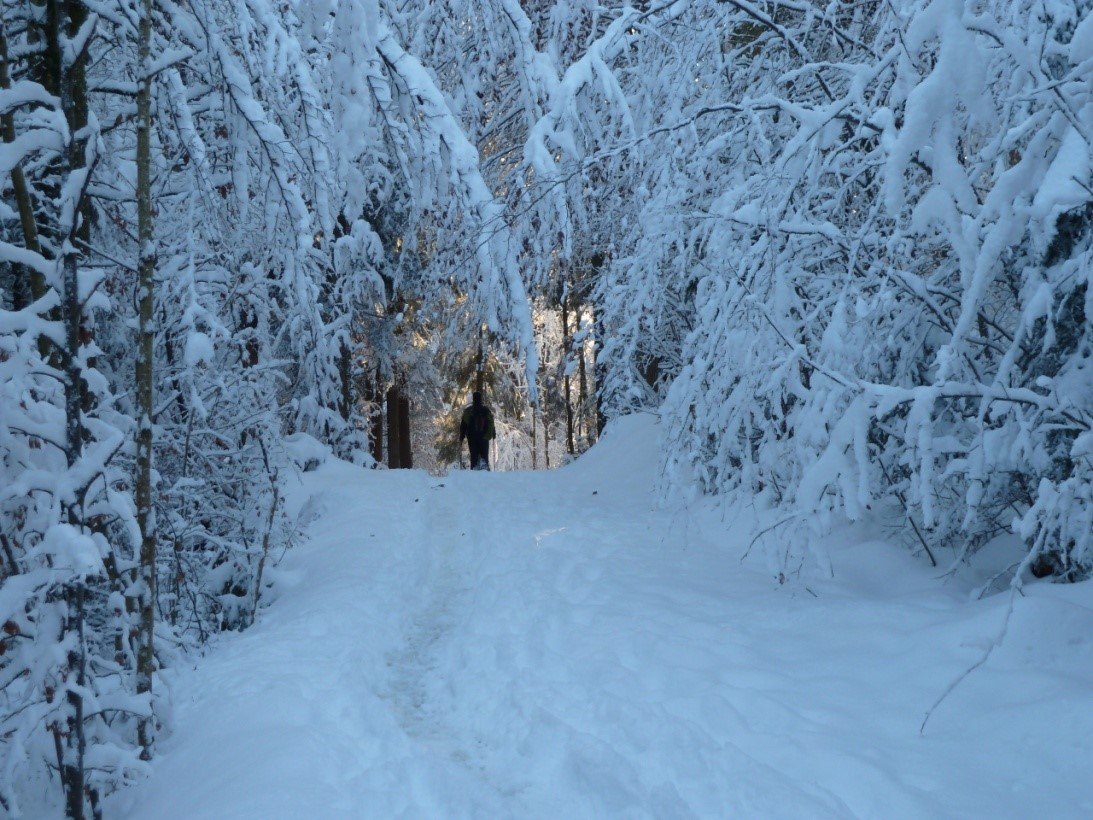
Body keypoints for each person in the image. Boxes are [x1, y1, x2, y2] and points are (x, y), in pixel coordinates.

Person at [459, 391, 496, 470]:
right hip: (484, 437)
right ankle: (485, 468)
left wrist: (461, 436)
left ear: (473, 399)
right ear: (480, 399)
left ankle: (474, 468)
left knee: (474, 455)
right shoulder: (486, 410)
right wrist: (493, 434)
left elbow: (463, 424)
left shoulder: (468, 411)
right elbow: (491, 422)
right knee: (484, 455)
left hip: (472, 437)